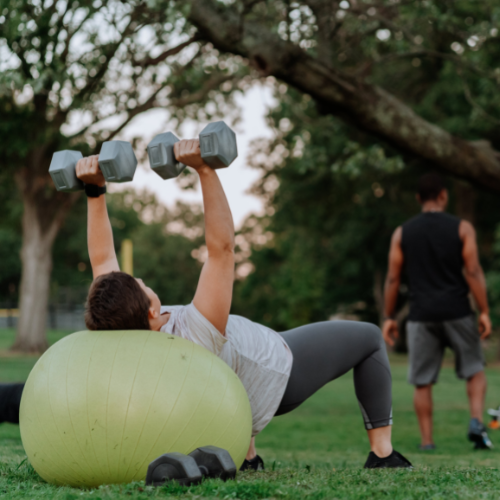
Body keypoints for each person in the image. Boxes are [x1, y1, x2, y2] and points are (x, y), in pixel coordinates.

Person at [2, 139, 411, 470]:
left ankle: (248, 456)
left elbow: (103, 261)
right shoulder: (194, 330)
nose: (143, 281)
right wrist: (204, 170)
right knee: (369, 338)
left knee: (229, 359)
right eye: (142, 287)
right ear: (149, 311)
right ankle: (383, 455)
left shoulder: (117, 334)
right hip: (277, 368)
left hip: (223, 390)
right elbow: (222, 250)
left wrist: (95, 191)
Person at [383, 172, 492, 451]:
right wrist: (484, 311)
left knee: (422, 382)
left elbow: (393, 278)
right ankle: (477, 422)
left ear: (419, 198)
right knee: (475, 371)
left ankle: (427, 442)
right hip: (457, 310)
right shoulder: (462, 228)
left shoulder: (402, 232)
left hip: (421, 315)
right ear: (443, 195)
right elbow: (472, 270)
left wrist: (389, 317)